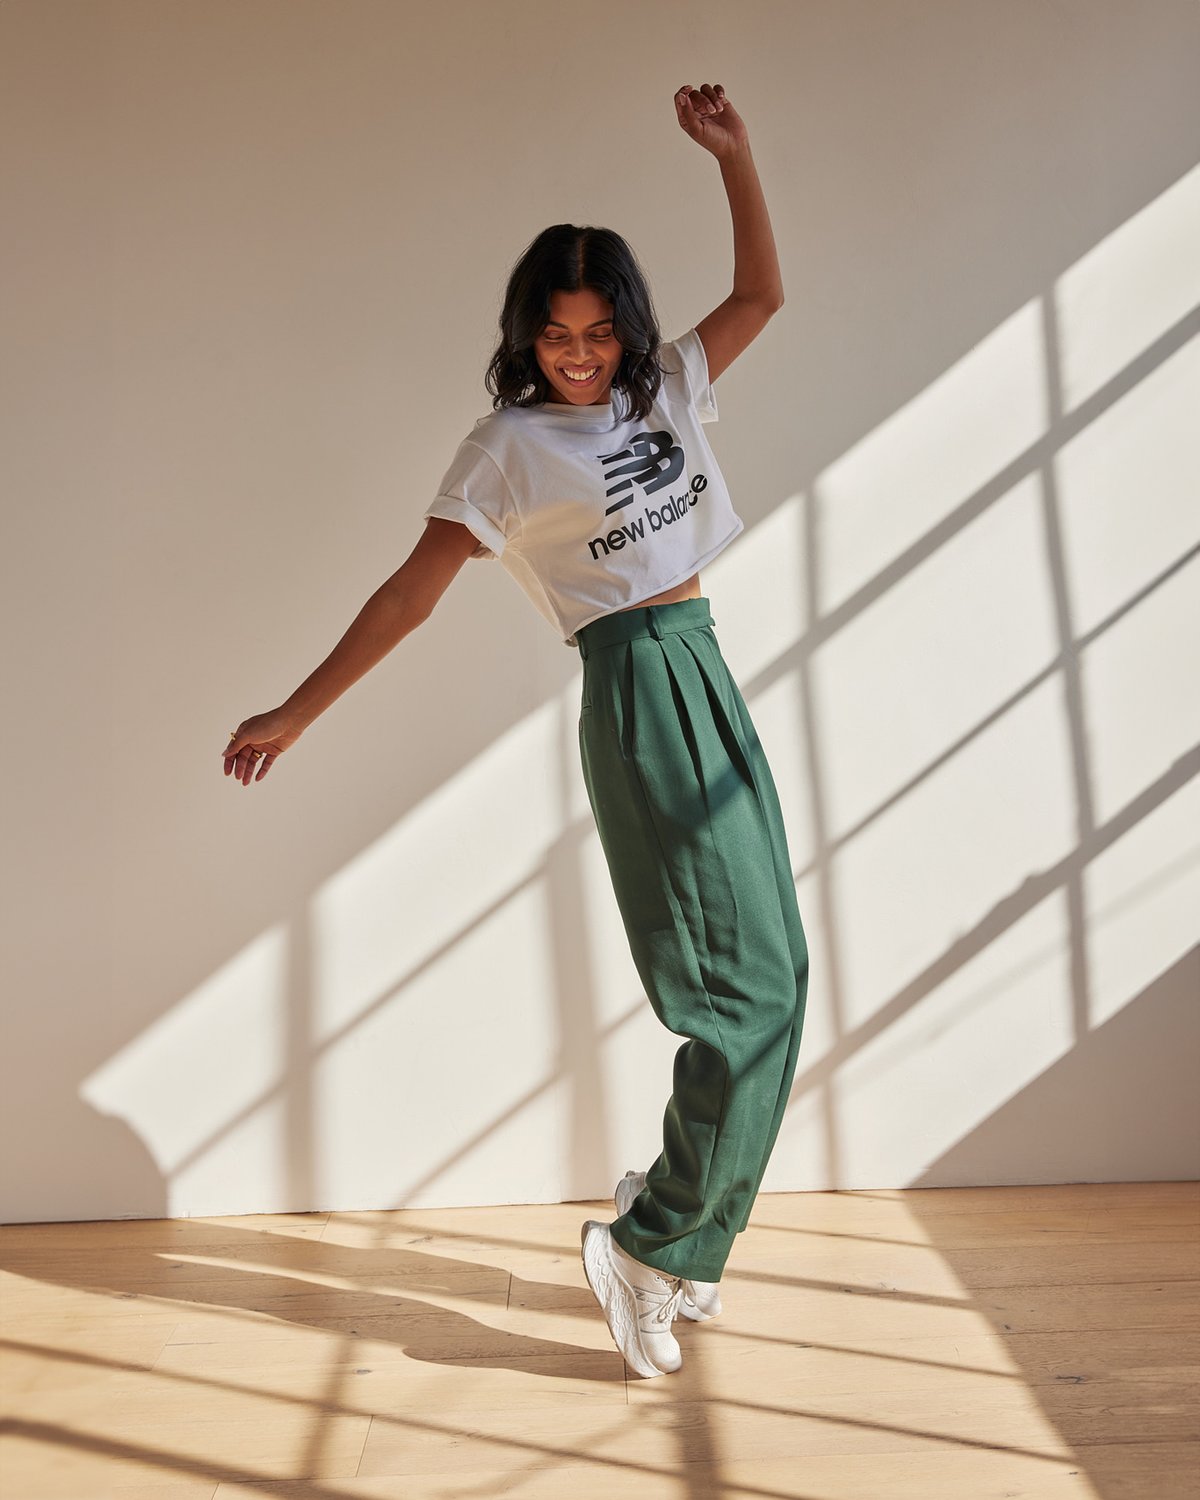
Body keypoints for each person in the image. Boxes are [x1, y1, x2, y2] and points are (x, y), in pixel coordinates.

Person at [221, 82, 809, 1380]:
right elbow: (410, 594)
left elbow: (763, 294)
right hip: (640, 692)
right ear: (525, 336)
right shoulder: (508, 447)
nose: (582, 356)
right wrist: (299, 713)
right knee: (739, 995)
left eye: (601, 332)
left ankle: (688, 1241)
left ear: (630, 329)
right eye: (558, 336)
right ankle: (650, 1246)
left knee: (779, 977)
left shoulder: (666, 392)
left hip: (706, 668)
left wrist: (737, 156)